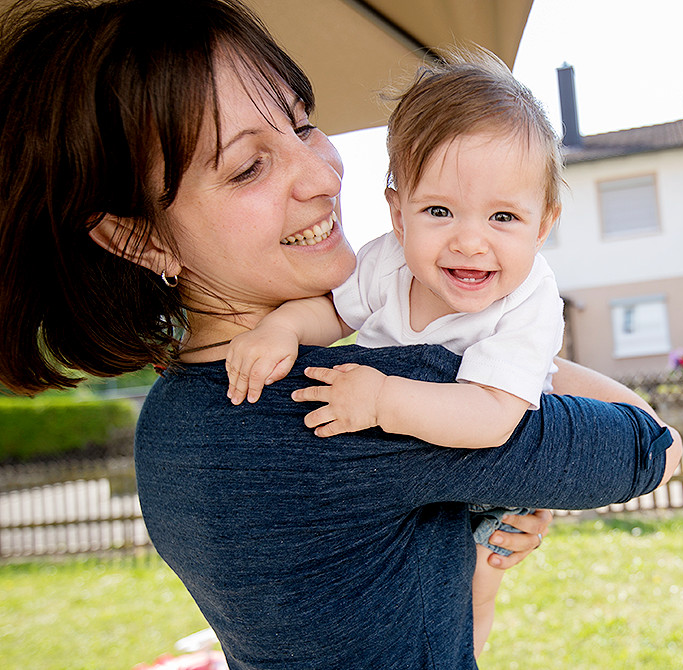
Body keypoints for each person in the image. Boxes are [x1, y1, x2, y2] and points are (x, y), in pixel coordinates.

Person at [0, 1, 683, 669]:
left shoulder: (172, 421)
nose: (324, 175)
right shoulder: (370, 403)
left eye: (303, 124)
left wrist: (463, 531)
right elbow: (650, 445)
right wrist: (511, 346)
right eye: (247, 167)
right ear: (137, 236)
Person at [222, 50, 567, 651]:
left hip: (485, 478)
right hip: (392, 481)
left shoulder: (529, 297)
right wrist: (280, 328)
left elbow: (492, 416)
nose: (469, 240)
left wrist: (383, 398)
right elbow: (331, 312)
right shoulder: (386, 262)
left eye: (504, 217)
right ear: (398, 212)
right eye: (439, 210)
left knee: (476, 582)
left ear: (543, 226)